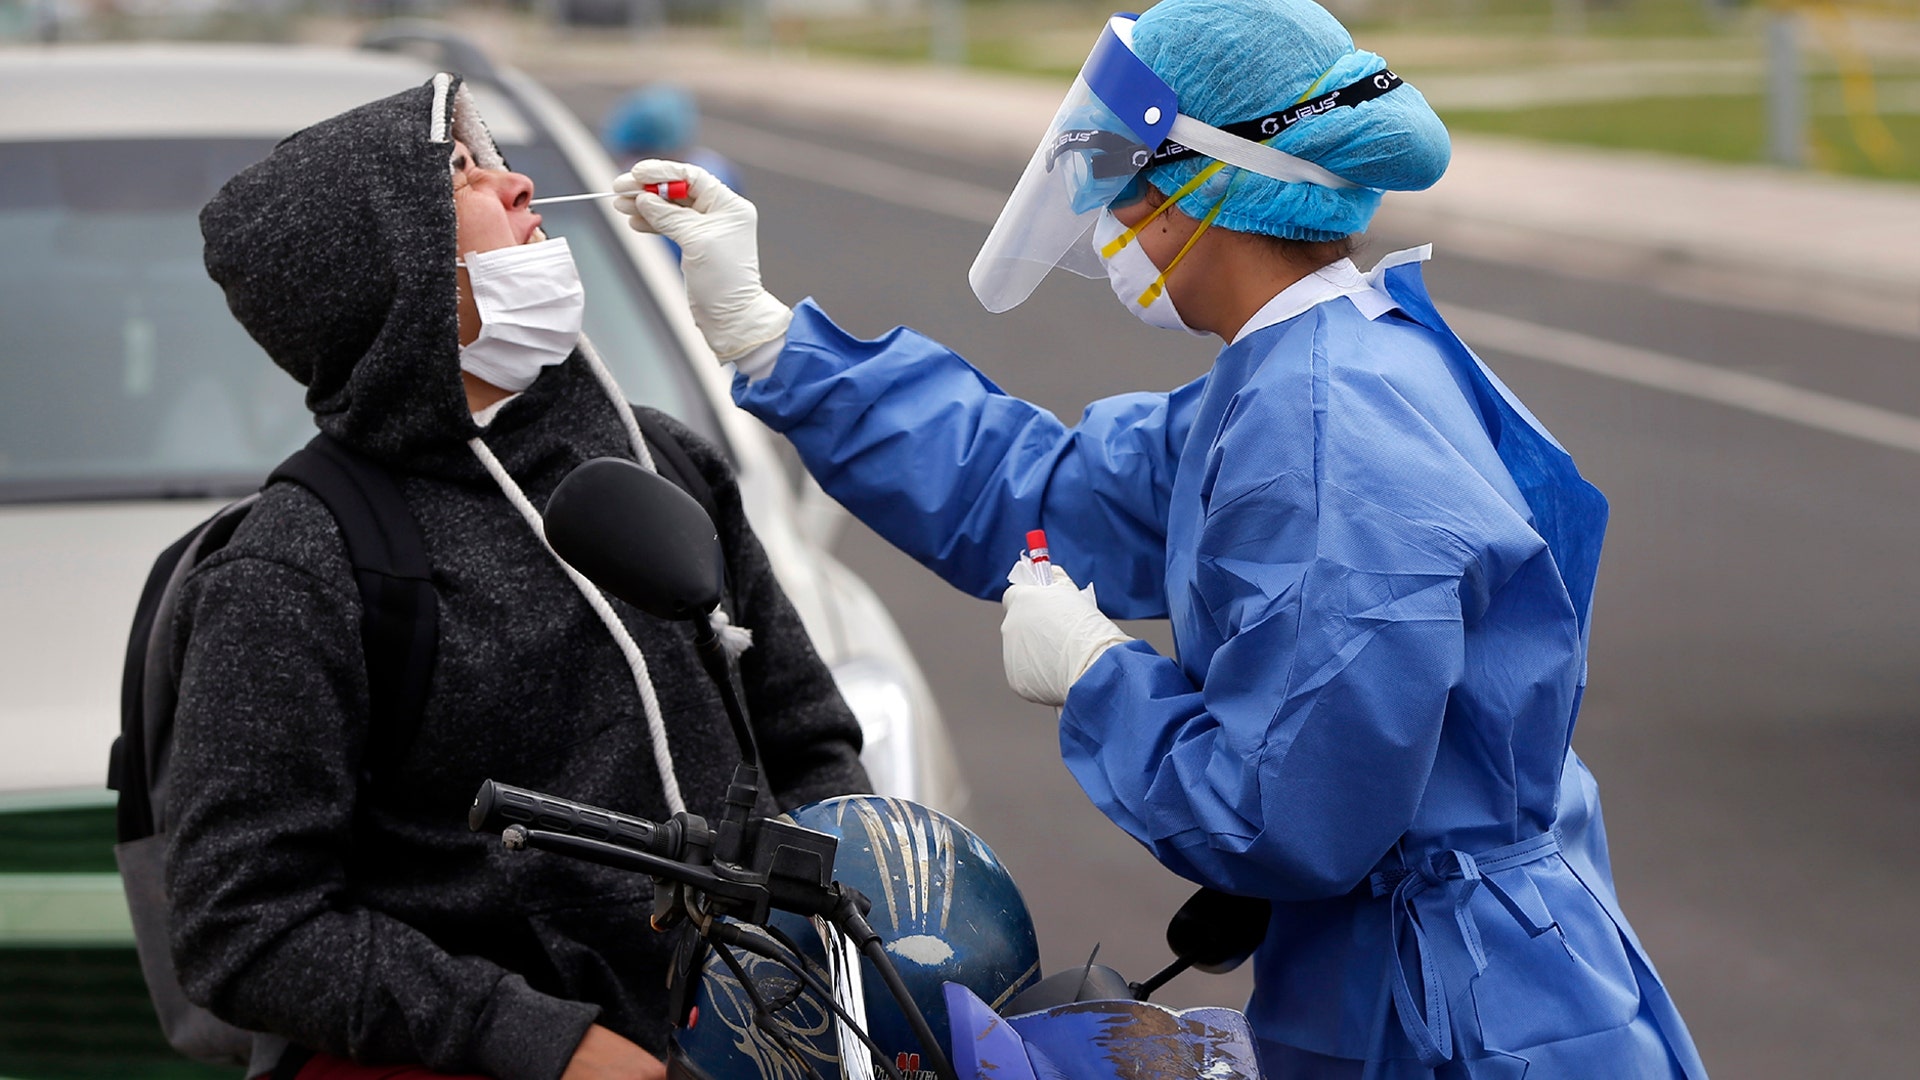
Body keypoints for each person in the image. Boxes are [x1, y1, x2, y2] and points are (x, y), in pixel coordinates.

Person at [613, 1, 1710, 1077]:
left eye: (1115, 183)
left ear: (1196, 192)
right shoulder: (1306, 369)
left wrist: (1100, 679)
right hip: (1419, 967)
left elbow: (1285, 814)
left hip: (1459, 1016)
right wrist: (768, 340)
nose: (1103, 217)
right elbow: (1038, 486)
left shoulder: (1328, 439)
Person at [170, 73, 869, 1080]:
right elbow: (245, 926)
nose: (521, 186)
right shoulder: (298, 565)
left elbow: (810, 742)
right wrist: (556, 1047)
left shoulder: (662, 460)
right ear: (389, 268)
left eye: (500, 159)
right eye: (465, 173)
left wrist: (831, 950)